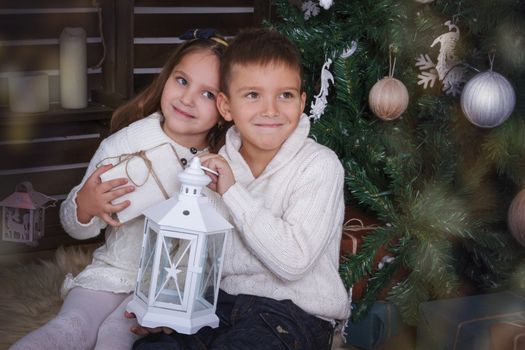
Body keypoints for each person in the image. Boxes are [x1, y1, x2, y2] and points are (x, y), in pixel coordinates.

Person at [10, 29, 230, 350]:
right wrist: (85, 206)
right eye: (182, 81)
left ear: (226, 109)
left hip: (167, 288)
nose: (188, 98)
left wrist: (177, 301)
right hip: (113, 270)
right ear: (166, 78)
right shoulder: (127, 144)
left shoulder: (222, 163)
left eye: (208, 94)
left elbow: (219, 243)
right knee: (72, 326)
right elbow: (76, 226)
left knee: (116, 334)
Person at [133, 27, 350, 350]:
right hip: (220, 307)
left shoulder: (320, 165)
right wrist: (170, 308)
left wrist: (233, 193)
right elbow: (199, 256)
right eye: (252, 95)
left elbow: (293, 261)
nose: (271, 110)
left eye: (285, 95)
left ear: (302, 101)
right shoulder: (216, 166)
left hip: (293, 315)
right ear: (225, 106)